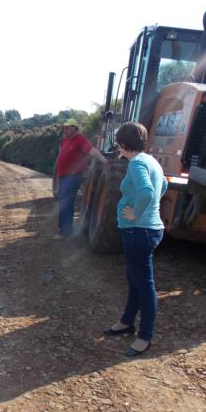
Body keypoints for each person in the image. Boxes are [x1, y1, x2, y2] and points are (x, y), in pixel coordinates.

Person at [103, 121, 168, 357]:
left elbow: (148, 192)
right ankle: (127, 322)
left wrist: (136, 212)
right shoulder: (151, 161)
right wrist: (149, 210)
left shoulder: (137, 164)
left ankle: (145, 336)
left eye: (118, 145)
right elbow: (164, 185)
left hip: (137, 230)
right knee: (134, 278)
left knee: (144, 283)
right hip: (146, 229)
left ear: (122, 143)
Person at [53, 119, 107, 239]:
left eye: (68, 127)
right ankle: (65, 229)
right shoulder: (65, 140)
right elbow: (61, 153)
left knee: (66, 203)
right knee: (64, 202)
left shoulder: (80, 139)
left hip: (73, 176)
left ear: (75, 128)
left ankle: (64, 231)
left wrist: (102, 159)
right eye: (64, 127)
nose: (65, 129)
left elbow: (91, 150)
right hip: (63, 176)